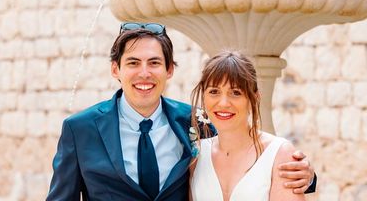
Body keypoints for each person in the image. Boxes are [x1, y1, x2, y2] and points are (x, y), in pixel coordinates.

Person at [47, 23, 315, 200]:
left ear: (169, 70)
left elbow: (244, 147)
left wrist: (307, 176)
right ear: (115, 69)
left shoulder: (198, 122)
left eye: (154, 62)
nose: (144, 73)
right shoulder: (79, 129)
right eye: (133, 63)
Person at [189, 51, 309, 201]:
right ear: (203, 96)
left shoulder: (279, 153)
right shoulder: (196, 154)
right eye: (214, 91)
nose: (224, 103)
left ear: (254, 98)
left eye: (235, 92)